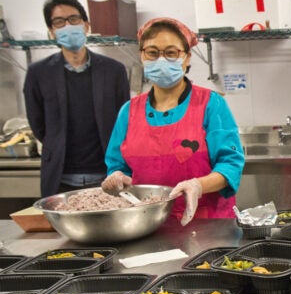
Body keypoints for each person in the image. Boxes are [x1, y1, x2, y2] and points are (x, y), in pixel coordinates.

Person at [101, 17, 244, 226]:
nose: (161, 60)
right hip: (147, 224)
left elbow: (231, 165)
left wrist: (198, 185)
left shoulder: (210, 104)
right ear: (142, 56)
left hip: (207, 224)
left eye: (171, 53)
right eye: (152, 52)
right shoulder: (128, 112)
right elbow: (117, 165)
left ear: (186, 58)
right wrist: (117, 177)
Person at [23, 0, 130, 197]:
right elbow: (38, 125)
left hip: (107, 177)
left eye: (73, 19)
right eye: (59, 22)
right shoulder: (38, 73)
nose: (68, 26)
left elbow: (124, 120)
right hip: (60, 179)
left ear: (86, 25)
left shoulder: (114, 70)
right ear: (51, 31)